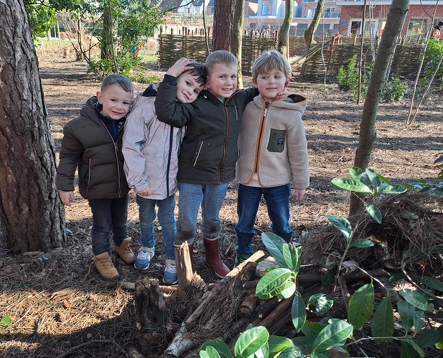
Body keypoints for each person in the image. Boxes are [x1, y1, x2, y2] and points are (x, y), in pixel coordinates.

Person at [155, 51, 287, 278]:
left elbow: (265, 86)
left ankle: (213, 259)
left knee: (212, 219)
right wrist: (170, 77)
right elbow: (166, 112)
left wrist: (280, 90)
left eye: (233, 76)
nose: (229, 82)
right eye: (222, 77)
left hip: (220, 176)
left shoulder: (239, 99)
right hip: (193, 175)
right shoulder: (195, 103)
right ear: (207, 82)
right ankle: (184, 263)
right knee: (187, 221)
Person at [122, 62, 207, 285]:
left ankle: (171, 258)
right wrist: (138, 180)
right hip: (146, 181)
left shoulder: (183, 112)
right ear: (173, 79)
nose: (190, 91)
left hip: (169, 183)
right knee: (146, 217)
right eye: (187, 83)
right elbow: (132, 145)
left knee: (168, 220)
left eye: (196, 90)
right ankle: (147, 246)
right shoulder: (147, 106)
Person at [56, 74, 135, 280]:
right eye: (113, 100)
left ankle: (121, 244)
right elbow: (68, 157)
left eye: (125, 102)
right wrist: (65, 186)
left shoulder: (131, 122)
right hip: (97, 187)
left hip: (122, 184)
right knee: (102, 224)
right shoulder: (78, 127)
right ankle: (101, 256)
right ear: (100, 97)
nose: (119, 107)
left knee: (121, 220)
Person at [235, 50, 309, 264]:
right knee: (245, 220)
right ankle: (243, 253)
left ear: (287, 80)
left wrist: (300, 183)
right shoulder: (247, 107)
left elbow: (298, 151)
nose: (271, 81)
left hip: (278, 180)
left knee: (281, 222)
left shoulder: (291, 115)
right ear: (255, 81)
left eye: (277, 76)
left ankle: (284, 254)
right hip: (248, 179)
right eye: (264, 77)